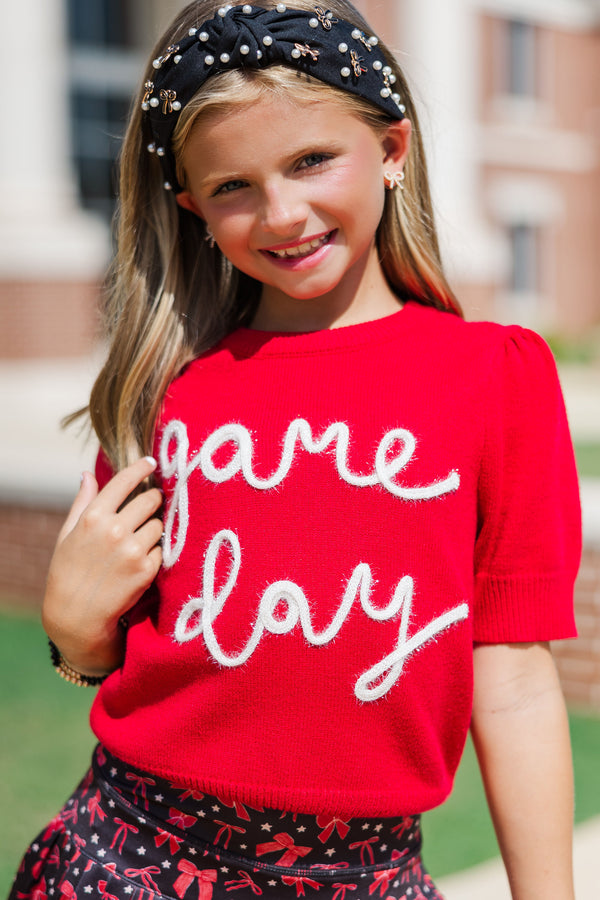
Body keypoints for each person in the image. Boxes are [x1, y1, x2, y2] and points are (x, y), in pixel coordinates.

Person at [10, 2, 581, 899]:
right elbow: (102, 644)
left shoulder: (494, 376)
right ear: (192, 205)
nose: (281, 212)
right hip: (124, 860)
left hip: (365, 876)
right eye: (232, 186)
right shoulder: (167, 384)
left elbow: (510, 676)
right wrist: (69, 636)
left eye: (311, 161)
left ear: (393, 151)